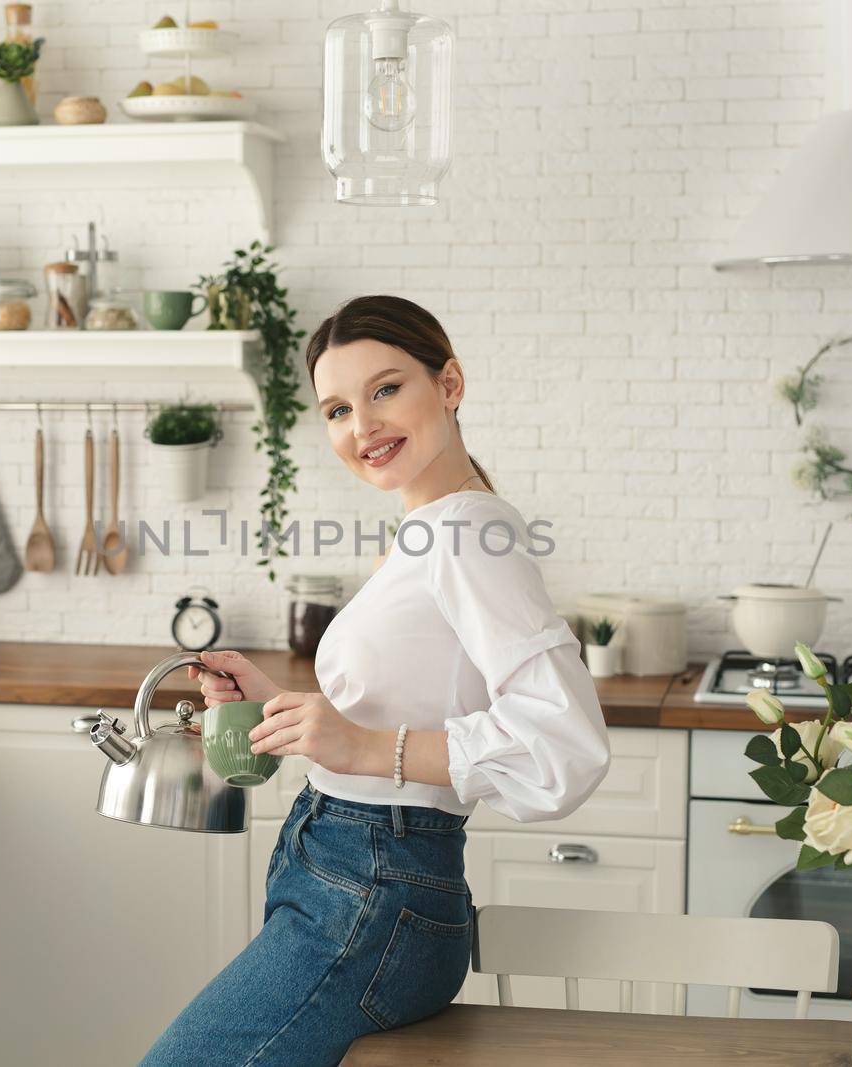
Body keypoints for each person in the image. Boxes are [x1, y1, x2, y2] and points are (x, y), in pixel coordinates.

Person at [140, 295, 612, 1067]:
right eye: (337, 408)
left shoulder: (466, 533)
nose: (363, 427)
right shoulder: (428, 530)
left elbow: (564, 741)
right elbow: (415, 695)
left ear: (449, 384)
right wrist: (288, 707)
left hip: (373, 891)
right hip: (344, 877)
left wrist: (365, 746)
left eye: (386, 389)